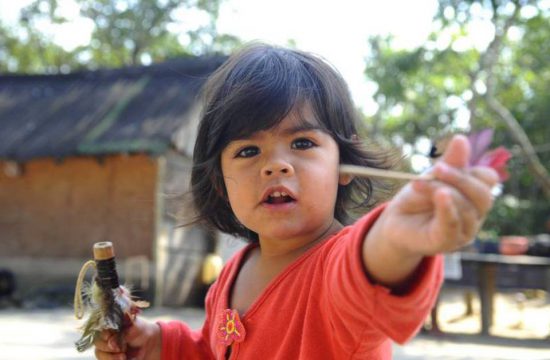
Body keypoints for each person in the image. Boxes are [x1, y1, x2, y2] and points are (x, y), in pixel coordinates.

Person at [93, 43, 498, 359]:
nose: (276, 166)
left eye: (302, 142)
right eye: (248, 152)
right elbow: (214, 352)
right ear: (219, 181)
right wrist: (160, 345)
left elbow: (366, 267)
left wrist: (396, 236)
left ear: (346, 165)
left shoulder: (338, 265)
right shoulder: (232, 273)